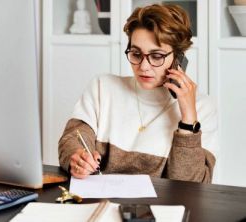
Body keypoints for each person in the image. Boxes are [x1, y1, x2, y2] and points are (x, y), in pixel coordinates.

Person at [59, 4, 218, 183]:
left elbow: (190, 186)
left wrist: (188, 121)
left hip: (160, 209)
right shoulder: (102, 87)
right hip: (98, 203)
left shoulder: (201, 108)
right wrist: (77, 157)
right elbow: (72, 139)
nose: (143, 67)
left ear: (179, 58)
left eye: (156, 56)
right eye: (136, 54)